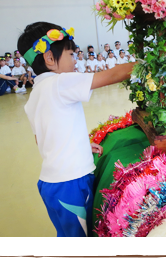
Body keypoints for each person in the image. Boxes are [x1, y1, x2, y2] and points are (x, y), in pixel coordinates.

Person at [17, 21, 136, 237]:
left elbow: (43, 137)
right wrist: (147, 64)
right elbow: (110, 76)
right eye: (71, 55)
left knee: (68, 236)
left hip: (52, 183)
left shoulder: (36, 93)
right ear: (50, 58)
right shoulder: (60, 82)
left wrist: (80, 144)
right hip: (70, 183)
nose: (76, 61)